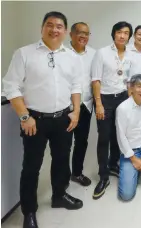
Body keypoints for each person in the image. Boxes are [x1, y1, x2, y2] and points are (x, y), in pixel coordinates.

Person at [2, 11, 83, 228]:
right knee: (31, 167)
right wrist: (25, 116)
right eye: (50, 25)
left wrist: (75, 112)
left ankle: (59, 196)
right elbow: (11, 86)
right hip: (34, 121)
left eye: (59, 26)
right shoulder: (24, 53)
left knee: (61, 161)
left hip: (63, 119)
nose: (54, 29)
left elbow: (76, 86)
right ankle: (29, 212)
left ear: (65, 31)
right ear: (42, 28)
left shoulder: (72, 56)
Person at [91, 21, 132, 200]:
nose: (122, 36)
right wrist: (98, 104)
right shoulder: (102, 53)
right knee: (104, 137)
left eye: (126, 33)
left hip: (123, 98)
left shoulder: (130, 54)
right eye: (119, 32)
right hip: (105, 99)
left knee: (119, 134)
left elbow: (129, 80)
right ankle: (103, 176)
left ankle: (113, 164)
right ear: (114, 34)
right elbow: (96, 80)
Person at [68, 22, 96, 187]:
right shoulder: (62, 53)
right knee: (63, 145)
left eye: (86, 33)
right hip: (67, 107)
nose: (83, 36)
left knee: (81, 141)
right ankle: (62, 178)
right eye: (79, 32)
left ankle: (76, 173)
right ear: (71, 34)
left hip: (86, 104)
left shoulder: (94, 54)